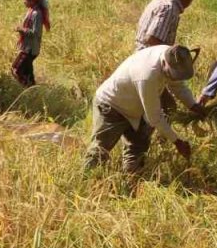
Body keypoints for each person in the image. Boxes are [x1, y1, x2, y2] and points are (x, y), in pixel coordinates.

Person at [84, 44, 200, 174]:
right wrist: (177, 142)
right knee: (100, 150)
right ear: (164, 63)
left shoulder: (174, 55)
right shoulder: (147, 75)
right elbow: (155, 117)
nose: (173, 79)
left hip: (137, 106)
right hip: (112, 106)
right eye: (172, 76)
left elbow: (178, 86)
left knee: (138, 147)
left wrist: (194, 106)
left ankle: (131, 179)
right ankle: (85, 180)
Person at [135, 0, 200, 51]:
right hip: (149, 59)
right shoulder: (169, 8)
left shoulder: (159, 1)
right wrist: (172, 52)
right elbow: (152, 39)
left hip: (140, 55)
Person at [12, 0, 50, 87]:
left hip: (30, 49)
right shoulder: (31, 10)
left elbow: (35, 33)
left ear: (32, 0)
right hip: (27, 47)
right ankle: (32, 90)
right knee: (28, 73)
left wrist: (21, 30)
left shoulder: (37, 13)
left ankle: (25, 90)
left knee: (16, 70)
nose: (24, 2)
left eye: (25, 0)